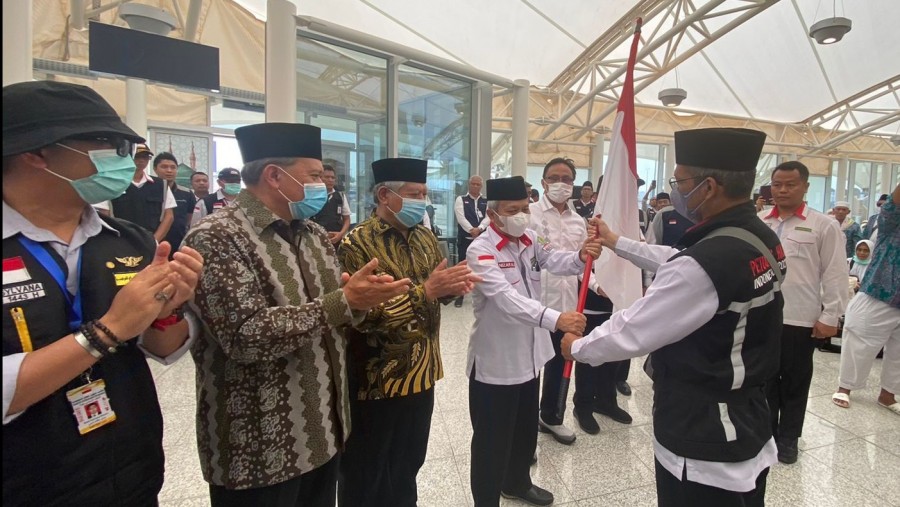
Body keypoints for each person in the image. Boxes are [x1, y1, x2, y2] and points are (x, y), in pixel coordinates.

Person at [183, 123, 411, 507]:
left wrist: (362, 300)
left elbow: (336, 312)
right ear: (274, 175)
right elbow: (244, 336)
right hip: (259, 449)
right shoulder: (218, 236)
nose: (323, 185)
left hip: (323, 430)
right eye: (313, 176)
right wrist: (343, 302)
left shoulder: (313, 234)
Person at [2, 80, 203, 506]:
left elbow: (160, 345)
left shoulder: (127, 240)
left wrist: (171, 307)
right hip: (28, 479)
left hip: (127, 469)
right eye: (107, 145)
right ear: (36, 152)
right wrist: (106, 332)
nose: (124, 161)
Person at [562, 127, 782, 507]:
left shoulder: (709, 262)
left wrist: (578, 346)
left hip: (703, 435)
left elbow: (636, 330)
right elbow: (681, 264)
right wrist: (617, 243)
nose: (676, 190)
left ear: (708, 187)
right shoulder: (758, 236)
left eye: (680, 181)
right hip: (747, 416)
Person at [338, 158, 479, 506]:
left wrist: (449, 288)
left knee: (408, 465)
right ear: (385, 195)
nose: (422, 201)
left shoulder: (425, 239)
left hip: (422, 372)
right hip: (377, 380)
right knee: (367, 472)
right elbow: (360, 316)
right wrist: (427, 291)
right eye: (414, 194)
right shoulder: (357, 244)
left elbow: (434, 290)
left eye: (424, 194)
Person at [466, 176, 595, 507]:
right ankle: (486, 500)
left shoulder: (531, 238)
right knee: (492, 440)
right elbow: (504, 298)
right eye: (513, 210)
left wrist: (580, 256)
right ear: (493, 214)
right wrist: (556, 319)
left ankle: (517, 483)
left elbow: (557, 261)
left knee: (524, 430)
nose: (522, 214)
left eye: (525, 208)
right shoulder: (479, 250)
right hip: (497, 360)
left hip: (529, 355)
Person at [758, 161, 848, 464]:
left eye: (790, 184)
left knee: (795, 381)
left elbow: (835, 273)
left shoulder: (824, 225)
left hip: (800, 317)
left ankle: (789, 438)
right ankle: (767, 434)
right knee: (764, 378)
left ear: (805, 187)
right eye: (777, 184)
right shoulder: (759, 221)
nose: (782, 190)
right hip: (762, 315)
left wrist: (830, 316)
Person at [832, 183, 900, 415]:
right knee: (859, 340)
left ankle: (888, 394)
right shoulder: (892, 226)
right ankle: (846, 387)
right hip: (879, 293)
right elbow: (892, 206)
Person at [530, 157, 584, 445]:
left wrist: (599, 285)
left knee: (560, 361)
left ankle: (550, 417)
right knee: (531, 367)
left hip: (568, 305)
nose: (560, 183)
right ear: (543, 182)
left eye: (566, 178)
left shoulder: (579, 221)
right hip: (537, 305)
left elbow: (584, 262)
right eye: (554, 177)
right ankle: (525, 433)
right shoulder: (530, 214)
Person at [94, 144, 177, 242]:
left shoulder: (161, 185)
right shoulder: (112, 182)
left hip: (151, 241)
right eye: (137, 157)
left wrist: (154, 241)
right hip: (121, 241)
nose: (141, 160)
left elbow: (169, 216)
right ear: (127, 157)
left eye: (145, 157)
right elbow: (104, 215)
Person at [454, 175, 489, 307]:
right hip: (465, 239)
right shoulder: (461, 199)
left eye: (478, 184)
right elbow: (460, 217)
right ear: (469, 185)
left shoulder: (486, 201)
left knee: (484, 266)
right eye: (473, 184)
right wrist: (471, 230)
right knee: (463, 268)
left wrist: (479, 229)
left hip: (482, 241)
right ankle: (460, 295)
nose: (475, 186)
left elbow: (488, 217)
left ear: (481, 186)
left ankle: (485, 295)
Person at [154, 152, 196, 253]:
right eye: (164, 167)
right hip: (154, 244)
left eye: (173, 167)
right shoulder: (149, 190)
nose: (169, 170)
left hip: (178, 245)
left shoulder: (187, 193)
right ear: (155, 169)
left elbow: (189, 218)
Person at [310, 163, 351, 245]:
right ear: (320, 178)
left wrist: (341, 234)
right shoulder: (312, 195)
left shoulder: (341, 196)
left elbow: (347, 219)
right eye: (327, 177)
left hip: (336, 240)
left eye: (333, 177)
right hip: (316, 239)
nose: (330, 180)